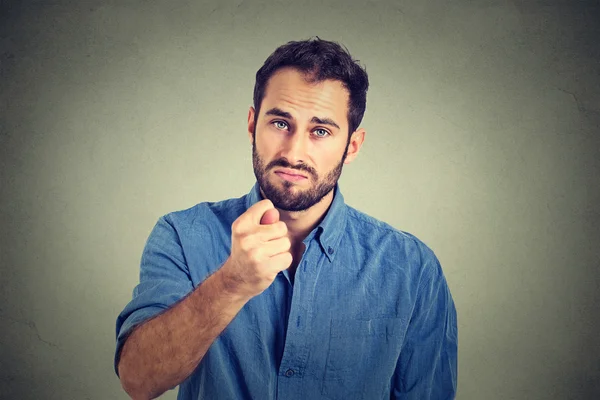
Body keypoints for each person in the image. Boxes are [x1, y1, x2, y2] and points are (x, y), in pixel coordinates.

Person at [114, 37, 458, 400]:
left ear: (352, 146)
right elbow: (137, 380)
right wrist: (231, 284)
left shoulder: (413, 269)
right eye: (280, 123)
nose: (294, 152)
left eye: (320, 131)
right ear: (252, 124)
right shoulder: (182, 235)